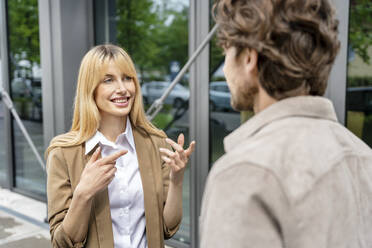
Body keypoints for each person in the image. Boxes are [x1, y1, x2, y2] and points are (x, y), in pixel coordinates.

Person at [200, 0, 372, 247]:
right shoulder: (363, 156)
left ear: (249, 58)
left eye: (226, 51)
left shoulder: (246, 171)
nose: (225, 68)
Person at [45, 44, 195, 248]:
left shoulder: (156, 143)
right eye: (108, 80)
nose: (123, 89)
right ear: (90, 88)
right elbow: (61, 243)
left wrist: (176, 180)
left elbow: (167, 228)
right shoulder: (62, 154)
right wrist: (83, 194)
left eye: (127, 78)